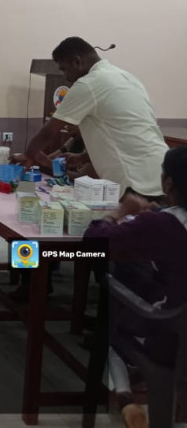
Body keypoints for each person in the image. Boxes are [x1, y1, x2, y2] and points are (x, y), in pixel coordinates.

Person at [84, 146, 187, 428]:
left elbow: (94, 243)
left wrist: (122, 210)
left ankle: (124, 396)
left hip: (173, 341)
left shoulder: (162, 225)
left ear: (167, 182)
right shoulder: (163, 221)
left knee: (115, 307)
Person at [23, 37, 168, 198]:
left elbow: (48, 132)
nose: (66, 77)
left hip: (136, 181)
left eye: (65, 69)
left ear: (77, 62)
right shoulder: (128, 77)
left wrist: (27, 156)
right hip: (164, 173)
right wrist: (83, 157)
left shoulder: (88, 83)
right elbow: (126, 132)